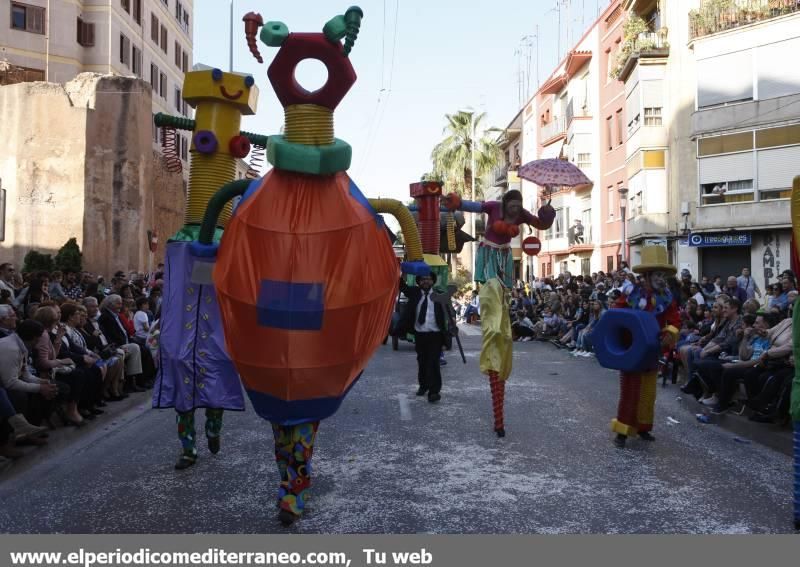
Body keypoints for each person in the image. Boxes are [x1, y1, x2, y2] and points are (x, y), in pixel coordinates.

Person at [605, 246, 681, 448]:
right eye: (657, 274)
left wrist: (670, 333)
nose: (660, 278)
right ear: (646, 276)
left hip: (653, 348)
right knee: (630, 390)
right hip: (632, 349)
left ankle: (644, 428)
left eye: (662, 274)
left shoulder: (667, 297)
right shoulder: (631, 294)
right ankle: (622, 431)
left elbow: (675, 320)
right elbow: (616, 316)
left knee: (648, 392)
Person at [443, 189, 555, 288]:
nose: (515, 209)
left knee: (505, 287)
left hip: (505, 253)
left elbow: (540, 224)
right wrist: (458, 203)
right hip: (489, 251)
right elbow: (476, 207)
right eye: (512, 206)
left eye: (518, 206)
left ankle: (503, 308)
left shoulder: (522, 213)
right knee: (491, 284)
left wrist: (548, 214)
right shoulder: (494, 206)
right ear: (505, 203)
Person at [397, 273, 455, 403]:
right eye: (423, 279)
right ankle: (423, 385)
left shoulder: (439, 294)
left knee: (433, 362)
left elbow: (449, 311)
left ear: (433, 281)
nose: (426, 281)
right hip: (420, 334)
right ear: (418, 282)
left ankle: (434, 392)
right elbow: (401, 285)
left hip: (435, 335)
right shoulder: (414, 293)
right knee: (422, 361)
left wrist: (452, 328)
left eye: (428, 279)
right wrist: (400, 272)